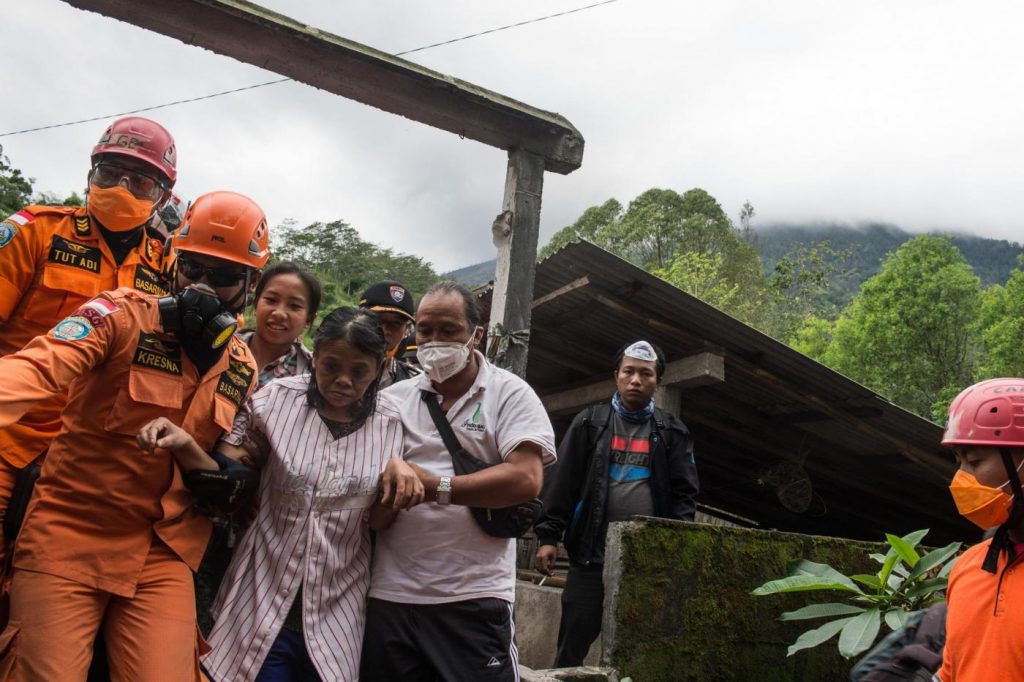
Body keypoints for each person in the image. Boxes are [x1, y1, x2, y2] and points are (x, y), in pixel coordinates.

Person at [0, 190, 269, 680]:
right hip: (71, 533)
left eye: (225, 276)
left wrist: (191, 453)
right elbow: (39, 367)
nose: (204, 287)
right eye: (193, 268)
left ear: (250, 284)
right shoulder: (119, 314)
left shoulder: (242, 367)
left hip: (163, 552)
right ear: (173, 262)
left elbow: (230, 469)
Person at [154, 307, 423, 681]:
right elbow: (227, 474)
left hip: (337, 608)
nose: (344, 381)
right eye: (331, 366)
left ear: (378, 369)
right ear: (315, 358)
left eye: (360, 371)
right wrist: (188, 446)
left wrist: (399, 479)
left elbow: (377, 523)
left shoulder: (395, 427)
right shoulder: (274, 402)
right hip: (260, 598)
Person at [360, 281, 556, 682]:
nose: (434, 341)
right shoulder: (393, 401)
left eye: (449, 331)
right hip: (391, 596)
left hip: (474, 598)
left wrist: (437, 488)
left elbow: (526, 477)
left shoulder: (509, 394)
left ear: (476, 335)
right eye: (426, 330)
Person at [0, 116, 177, 557]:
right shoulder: (36, 232)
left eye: (139, 181)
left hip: (87, 468)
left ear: (163, 197)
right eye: (110, 173)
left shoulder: (170, 269)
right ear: (90, 173)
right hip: (9, 440)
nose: (121, 187)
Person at [533, 340, 699, 668]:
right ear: (617, 376)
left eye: (645, 374)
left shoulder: (671, 432)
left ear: (658, 381)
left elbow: (684, 495)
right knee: (572, 647)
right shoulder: (590, 424)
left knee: (637, 646)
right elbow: (561, 483)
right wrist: (548, 537)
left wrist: (676, 545)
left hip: (646, 562)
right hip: (589, 556)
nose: (636, 380)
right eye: (629, 372)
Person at [193, 261, 322, 635]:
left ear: (309, 319)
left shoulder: (312, 378)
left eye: (295, 306)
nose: (280, 313)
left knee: (229, 628)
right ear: (254, 300)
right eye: (271, 299)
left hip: (257, 523)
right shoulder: (217, 348)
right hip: (191, 502)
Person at [937, 378, 1024, 681]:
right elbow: (953, 670)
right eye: (959, 461)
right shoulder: (967, 567)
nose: (961, 478)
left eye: (974, 461)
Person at [358, 279, 421, 388]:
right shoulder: (328, 366)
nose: (385, 330)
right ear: (357, 318)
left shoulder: (415, 384)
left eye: (396, 323)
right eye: (377, 320)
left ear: (406, 329)